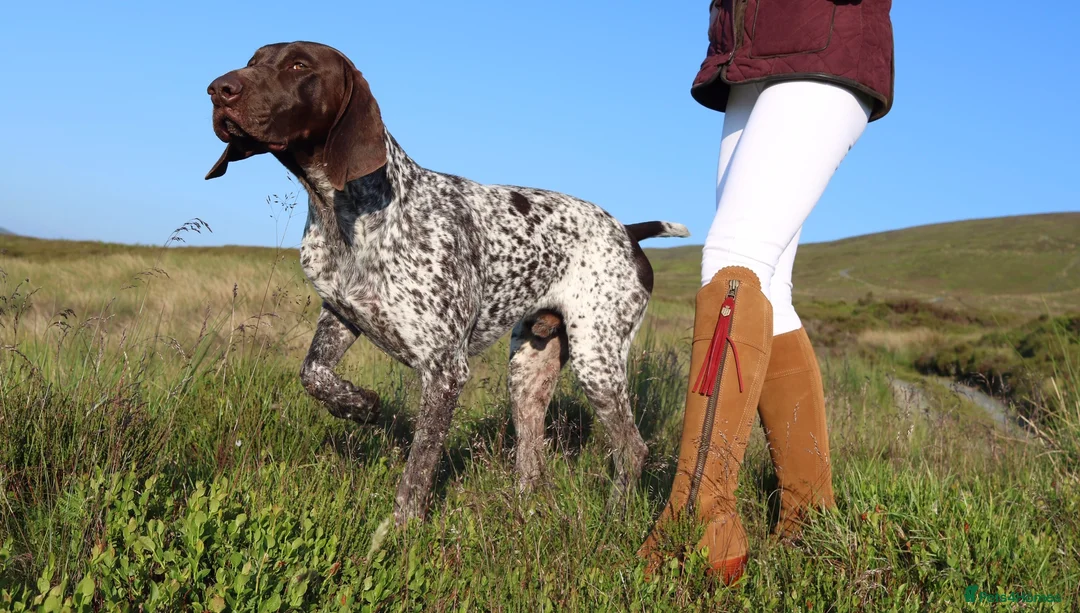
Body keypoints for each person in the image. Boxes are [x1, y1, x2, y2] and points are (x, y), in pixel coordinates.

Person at [637, 1, 895, 584]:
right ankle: (811, 520)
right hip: (751, 45)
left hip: (821, 33)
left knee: (734, 262)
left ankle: (699, 521)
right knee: (768, 281)